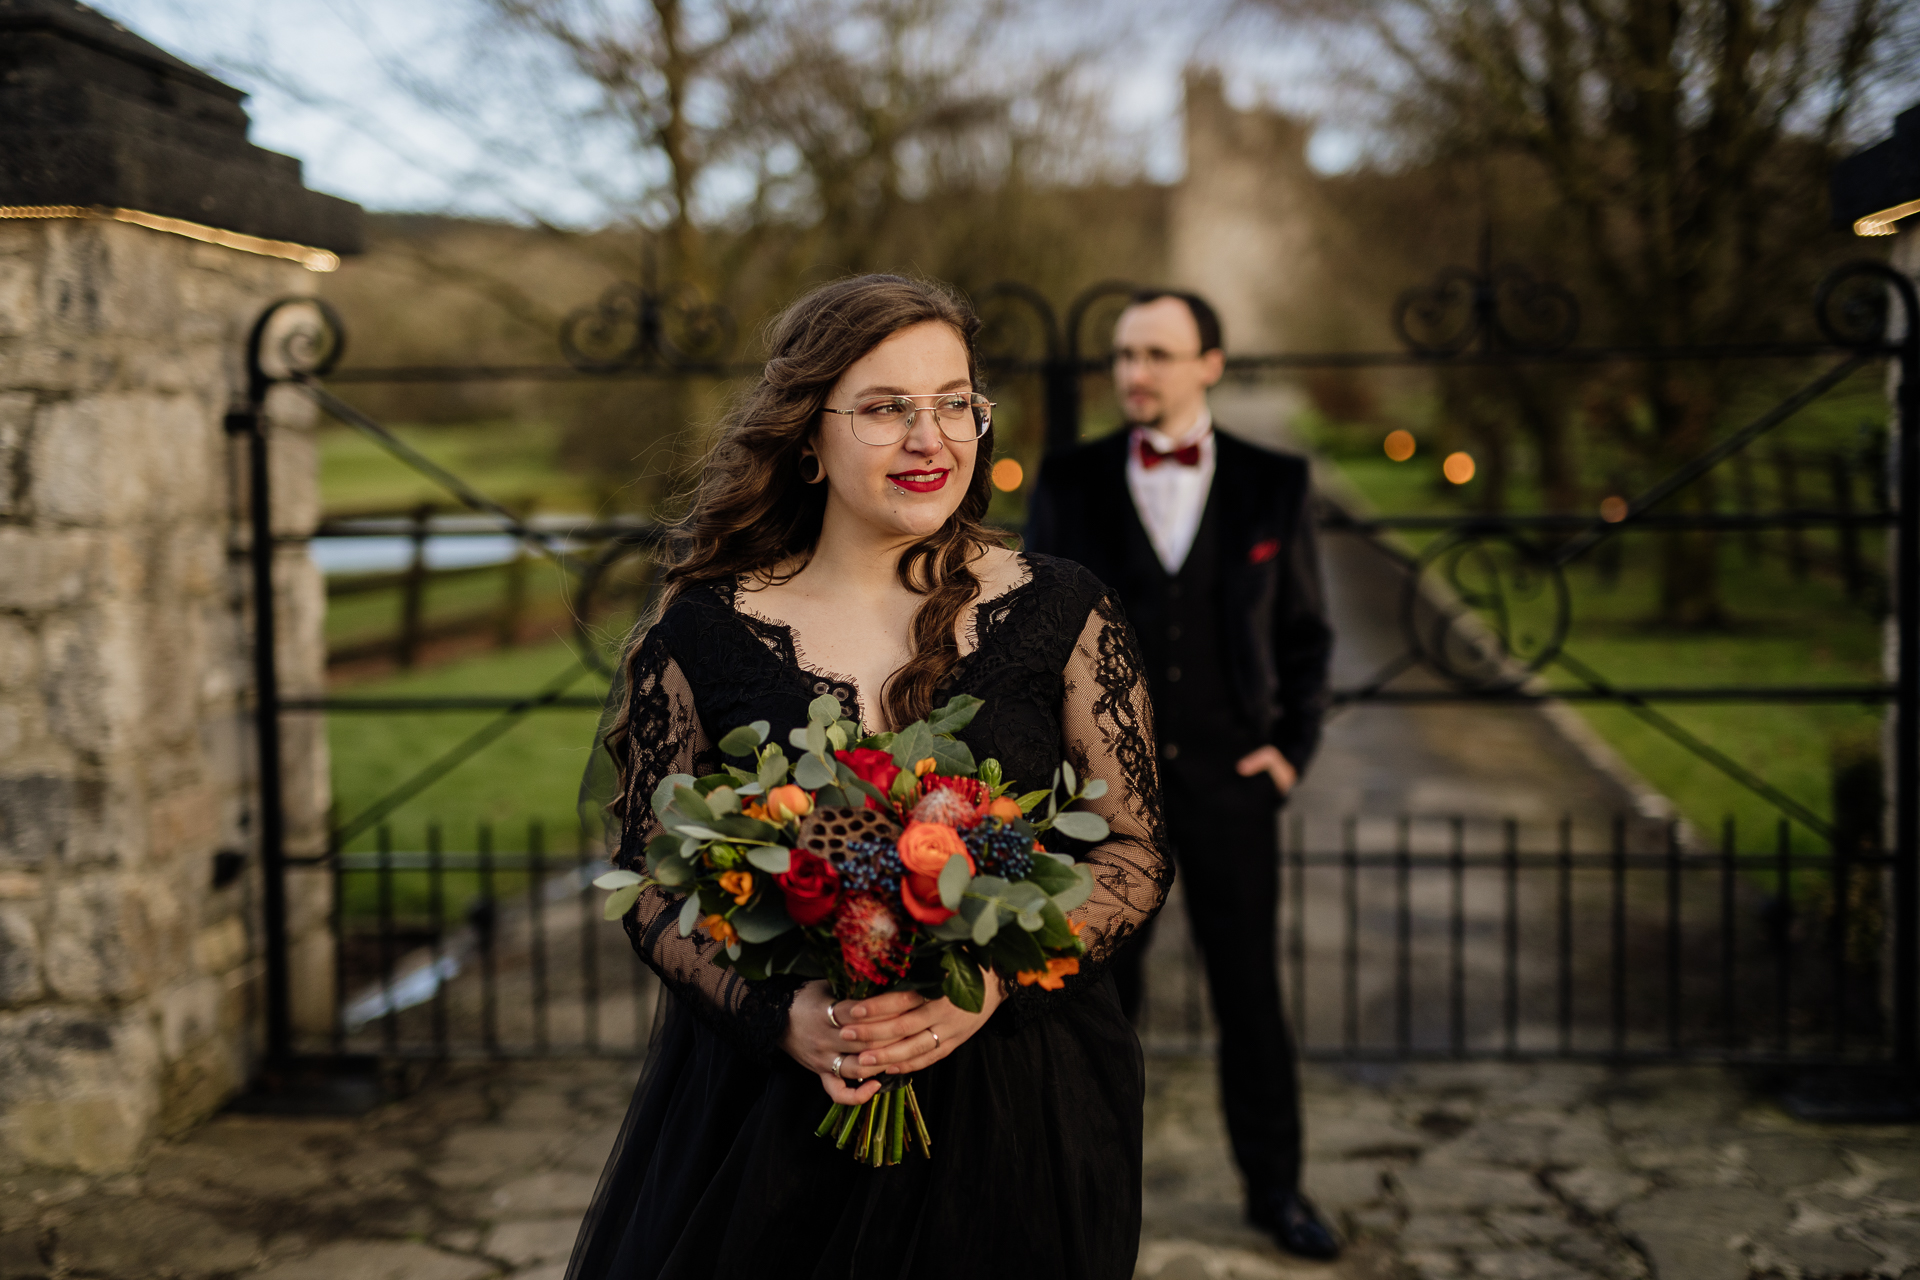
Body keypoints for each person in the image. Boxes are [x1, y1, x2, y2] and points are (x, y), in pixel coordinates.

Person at [567, 274, 1172, 1280]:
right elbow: (646, 877)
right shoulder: (703, 632)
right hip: (769, 1116)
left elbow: (1132, 845)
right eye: (887, 408)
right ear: (809, 433)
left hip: (1021, 1103)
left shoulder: (1064, 609)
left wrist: (991, 978)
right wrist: (779, 1015)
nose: (931, 437)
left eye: (954, 402)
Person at [1024, 289, 1338, 1259]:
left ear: (1211, 362)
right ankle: (1084, 1194)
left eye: (1156, 353)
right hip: (1101, 801)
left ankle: (1276, 1190)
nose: (1134, 373)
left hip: (1232, 788)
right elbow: (1033, 638)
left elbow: (1306, 633)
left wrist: (1287, 751)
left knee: (1250, 994)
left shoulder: (1272, 481)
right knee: (1096, 1001)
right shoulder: (1070, 480)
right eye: (1123, 354)